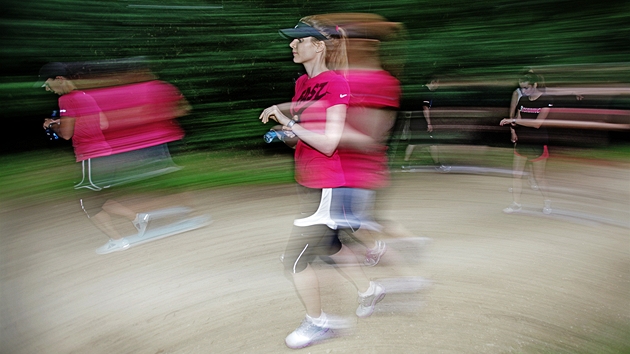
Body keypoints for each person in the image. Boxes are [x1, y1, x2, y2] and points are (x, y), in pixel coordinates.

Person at [259, 15, 383, 349]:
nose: (292, 44)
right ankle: (371, 291)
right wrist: (286, 132)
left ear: (319, 46)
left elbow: (329, 142)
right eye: (293, 40)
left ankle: (321, 323)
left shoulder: (336, 84)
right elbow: (303, 136)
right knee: (330, 246)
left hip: (325, 183)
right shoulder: (302, 84)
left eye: (299, 40)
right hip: (307, 177)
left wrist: (287, 120)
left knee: (294, 261)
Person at [500, 71, 553, 214]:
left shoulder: (545, 100)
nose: (523, 91)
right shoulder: (522, 100)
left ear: (534, 85)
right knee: (516, 175)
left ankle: (547, 201)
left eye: (526, 88)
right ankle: (516, 204)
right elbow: (518, 118)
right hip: (522, 141)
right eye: (521, 88)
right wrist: (513, 130)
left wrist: (514, 121)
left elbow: (537, 124)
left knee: (539, 177)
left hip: (538, 142)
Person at [403, 76, 450, 171]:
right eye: (438, 83)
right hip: (421, 122)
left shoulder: (419, 90)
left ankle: (405, 165)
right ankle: (438, 165)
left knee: (412, 143)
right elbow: (425, 108)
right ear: (433, 82)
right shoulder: (426, 92)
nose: (438, 86)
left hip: (414, 121)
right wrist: (429, 123)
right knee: (433, 143)